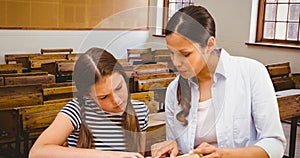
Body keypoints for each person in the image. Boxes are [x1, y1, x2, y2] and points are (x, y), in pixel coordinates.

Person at [151, 5, 286, 158]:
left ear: (209, 45)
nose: (176, 62)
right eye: (171, 53)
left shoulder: (251, 73)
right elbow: (179, 149)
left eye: (185, 54)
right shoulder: (174, 90)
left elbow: (274, 145)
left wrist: (224, 155)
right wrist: (172, 146)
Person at [29, 48, 149, 158]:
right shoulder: (76, 109)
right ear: (88, 96)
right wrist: (108, 156)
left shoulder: (140, 110)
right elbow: (37, 152)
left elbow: (138, 154)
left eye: (119, 88)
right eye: (103, 97)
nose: (116, 100)